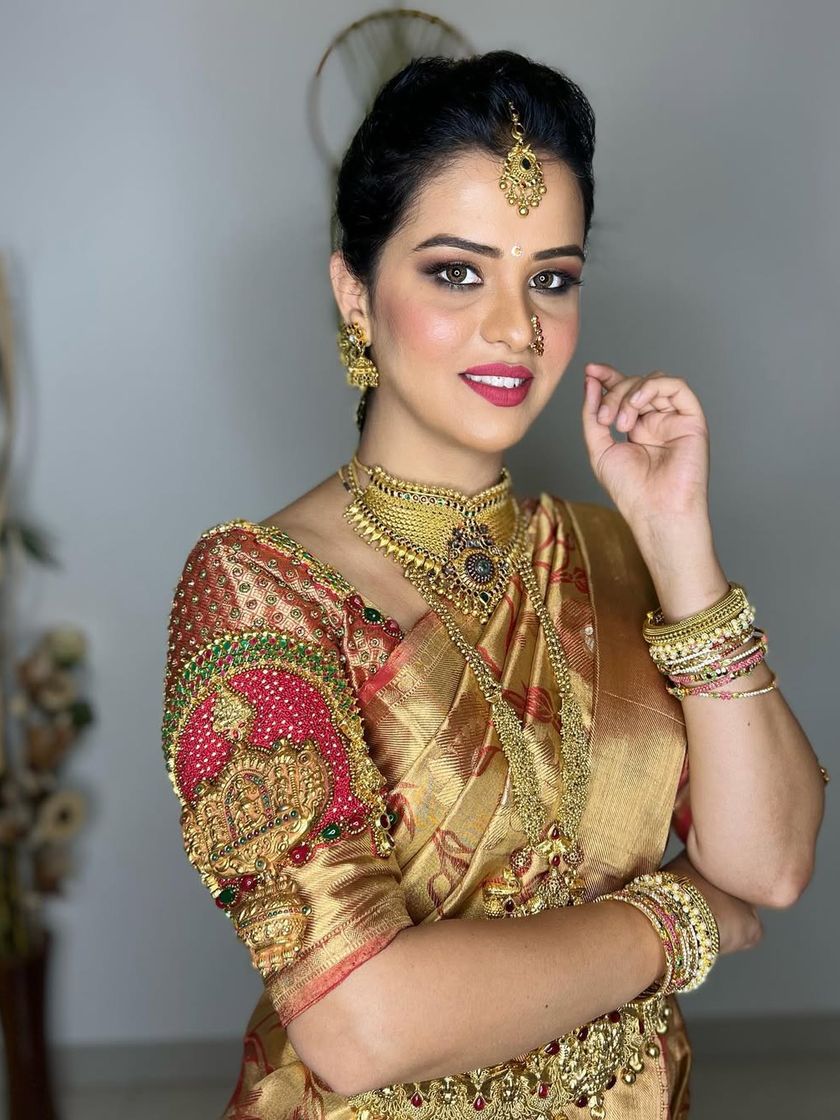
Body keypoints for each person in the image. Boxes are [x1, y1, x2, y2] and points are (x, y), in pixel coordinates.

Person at [160, 51, 827, 1120]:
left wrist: (678, 545)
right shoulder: (259, 590)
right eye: (458, 273)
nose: (519, 328)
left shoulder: (613, 555)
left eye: (550, 278)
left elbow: (773, 862)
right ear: (354, 291)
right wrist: (676, 922)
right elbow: (359, 1022)